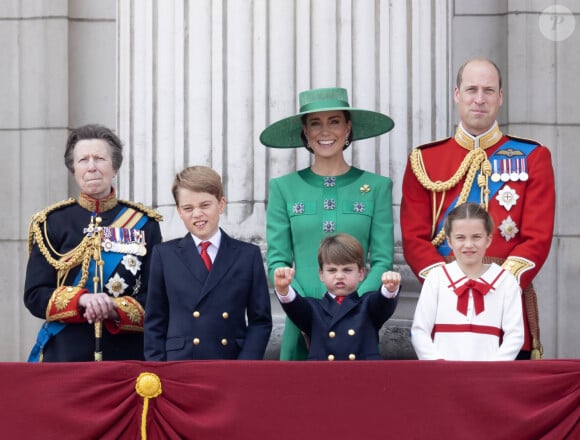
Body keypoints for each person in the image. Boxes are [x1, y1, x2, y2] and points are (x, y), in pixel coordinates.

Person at [401, 57, 555, 359]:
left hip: (506, 305)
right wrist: (447, 284)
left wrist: (498, 286)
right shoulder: (425, 160)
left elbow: (537, 238)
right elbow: (413, 238)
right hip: (444, 307)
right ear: (457, 94)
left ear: (500, 97)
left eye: (488, 90)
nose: (479, 99)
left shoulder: (532, 156)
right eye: (471, 89)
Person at [260, 87, 396, 360]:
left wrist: (356, 308)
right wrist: (305, 310)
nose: (325, 131)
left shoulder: (378, 187)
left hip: (358, 326)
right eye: (315, 123)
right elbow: (278, 263)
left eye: (334, 121)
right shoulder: (283, 188)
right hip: (301, 323)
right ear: (305, 132)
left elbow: (382, 261)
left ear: (348, 128)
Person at [24, 124, 163, 362]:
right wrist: (82, 299)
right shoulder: (51, 223)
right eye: (83, 160)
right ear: (73, 169)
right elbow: (35, 296)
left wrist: (114, 307)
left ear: (115, 167)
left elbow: (156, 298)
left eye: (100, 158)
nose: (91, 167)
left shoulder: (144, 223)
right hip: (66, 355)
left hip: (126, 356)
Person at [144, 165, 272, 360]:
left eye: (205, 205)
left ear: (221, 204)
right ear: (179, 211)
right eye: (188, 208)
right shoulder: (164, 255)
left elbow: (260, 321)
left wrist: (245, 366)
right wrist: (159, 369)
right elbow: (155, 321)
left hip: (230, 361)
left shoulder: (247, 255)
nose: (197, 214)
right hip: (180, 364)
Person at [411, 203, 524, 361]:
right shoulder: (436, 277)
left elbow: (515, 335)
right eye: (460, 238)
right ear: (449, 241)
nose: (469, 244)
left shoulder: (506, 281)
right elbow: (419, 331)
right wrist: (437, 365)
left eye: (476, 237)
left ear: (488, 240)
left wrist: (492, 370)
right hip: (442, 375)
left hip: (488, 377)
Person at [274, 233, 400, 361]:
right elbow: (295, 306)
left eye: (347, 270)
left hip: (363, 377)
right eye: (332, 270)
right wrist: (283, 289)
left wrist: (389, 288)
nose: (339, 276)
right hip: (324, 377)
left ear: (361, 273)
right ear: (321, 274)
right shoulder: (314, 308)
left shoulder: (368, 305)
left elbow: (382, 302)